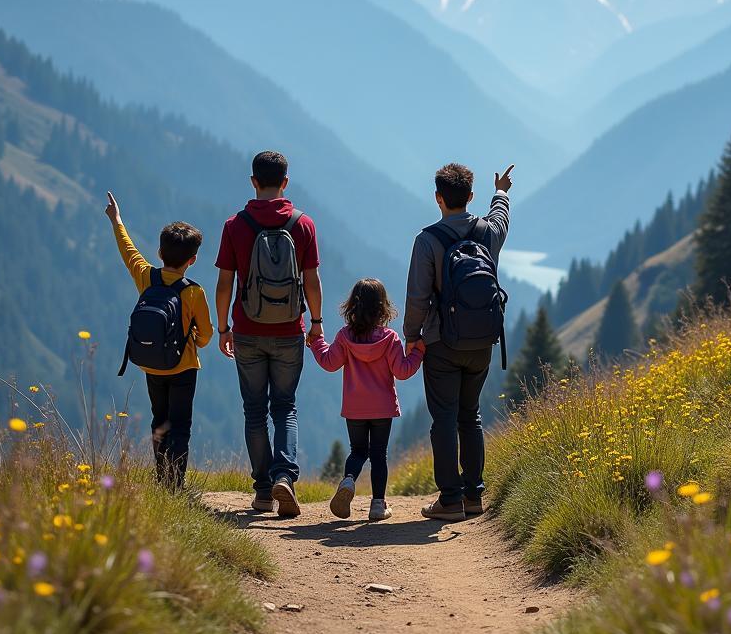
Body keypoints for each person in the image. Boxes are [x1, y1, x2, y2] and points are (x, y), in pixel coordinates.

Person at [404, 162, 513, 523]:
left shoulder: (427, 241)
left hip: (441, 342)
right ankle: (474, 496)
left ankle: (449, 499)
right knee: (471, 415)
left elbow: (418, 297)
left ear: (437, 198)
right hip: (483, 340)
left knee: (444, 419)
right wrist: (501, 192)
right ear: (470, 196)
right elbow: (501, 218)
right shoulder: (487, 233)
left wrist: (412, 336)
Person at [215, 151, 322, 517]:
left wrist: (223, 327)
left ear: (253, 182)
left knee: (254, 410)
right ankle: (284, 478)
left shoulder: (235, 225)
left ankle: (262, 491)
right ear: (286, 182)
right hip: (290, 330)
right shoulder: (303, 224)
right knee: (285, 407)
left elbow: (224, 284)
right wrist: (317, 323)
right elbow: (312, 281)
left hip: (246, 329)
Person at [104, 191, 213, 490]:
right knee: (181, 427)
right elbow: (205, 336)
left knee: (159, 422)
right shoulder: (193, 292)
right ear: (192, 260)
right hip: (184, 367)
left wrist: (117, 221)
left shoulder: (146, 277)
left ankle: (161, 477)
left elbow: (129, 252)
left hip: (151, 365)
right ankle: (174, 486)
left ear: (160, 253)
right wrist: (196, 339)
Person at [307, 279, 424, 522]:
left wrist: (316, 342)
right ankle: (378, 505)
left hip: (354, 408)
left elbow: (329, 363)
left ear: (353, 306)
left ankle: (348, 480)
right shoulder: (390, 338)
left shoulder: (345, 337)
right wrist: (418, 352)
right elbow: (402, 371)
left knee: (358, 451)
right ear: (382, 308)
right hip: (382, 408)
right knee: (379, 454)